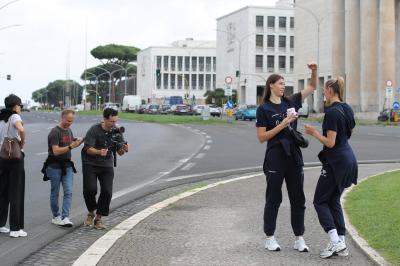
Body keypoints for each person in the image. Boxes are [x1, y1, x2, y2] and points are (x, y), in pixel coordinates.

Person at [256, 63, 317, 252]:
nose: (283, 87)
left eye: (284, 84)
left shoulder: (290, 102)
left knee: (298, 198)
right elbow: (261, 138)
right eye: (280, 83)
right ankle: (270, 237)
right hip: (275, 156)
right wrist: (282, 125)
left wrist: (314, 71)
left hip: (294, 156)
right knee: (274, 198)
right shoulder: (263, 109)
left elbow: (312, 86)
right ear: (271, 86)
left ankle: (299, 238)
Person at [304, 77, 358, 258]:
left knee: (319, 201)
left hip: (336, 162)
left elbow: (331, 142)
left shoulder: (333, 112)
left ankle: (335, 241)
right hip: (348, 159)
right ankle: (341, 242)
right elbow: (347, 134)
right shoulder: (347, 108)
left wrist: (314, 133)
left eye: (324, 90)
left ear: (329, 90)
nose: (322, 93)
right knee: (333, 200)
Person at [81, 108, 128, 230]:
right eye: (112, 121)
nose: (114, 124)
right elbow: (88, 148)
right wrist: (99, 151)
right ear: (105, 119)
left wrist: (124, 148)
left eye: (116, 121)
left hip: (106, 164)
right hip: (90, 163)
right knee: (90, 190)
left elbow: (120, 152)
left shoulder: (117, 132)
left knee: (107, 192)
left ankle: (98, 219)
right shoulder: (94, 130)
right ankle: (91, 211)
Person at [42, 109, 83, 227]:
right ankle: (56, 216)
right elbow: (56, 151)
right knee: (55, 192)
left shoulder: (69, 130)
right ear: (62, 117)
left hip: (67, 165)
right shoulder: (54, 132)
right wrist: (71, 146)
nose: (70, 123)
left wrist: (77, 142)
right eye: (68, 120)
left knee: (68, 191)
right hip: (54, 166)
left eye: (72, 121)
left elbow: (69, 143)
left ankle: (65, 217)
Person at [0, 94, 27, 238]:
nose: (20, 108)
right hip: (15, 158)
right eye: (20, 105)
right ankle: (16, 228)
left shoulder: (1, 118)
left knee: (3, 191)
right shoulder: (15, 117)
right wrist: (22, 143)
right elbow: (21, 130)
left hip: (2, 157)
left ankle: (1, 224)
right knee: (16, 191)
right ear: (15, 106)